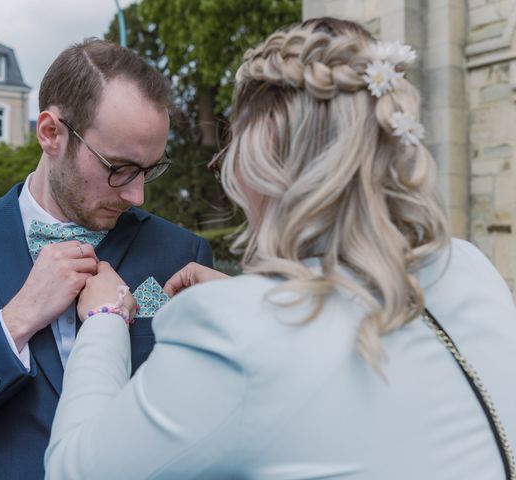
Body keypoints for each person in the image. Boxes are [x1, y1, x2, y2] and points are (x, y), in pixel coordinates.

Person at [44, 18, 516, 480]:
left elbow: (74, 470)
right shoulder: (470, 266)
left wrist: (106, 319)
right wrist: (255, 304)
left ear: (262, 166)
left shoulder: (233, 330)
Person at [0, 39, 212, 479]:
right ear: (51, 133)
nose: (137, 194)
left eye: (149, 169)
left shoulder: (181, 255)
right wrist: (14, 323)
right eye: (120, 168)